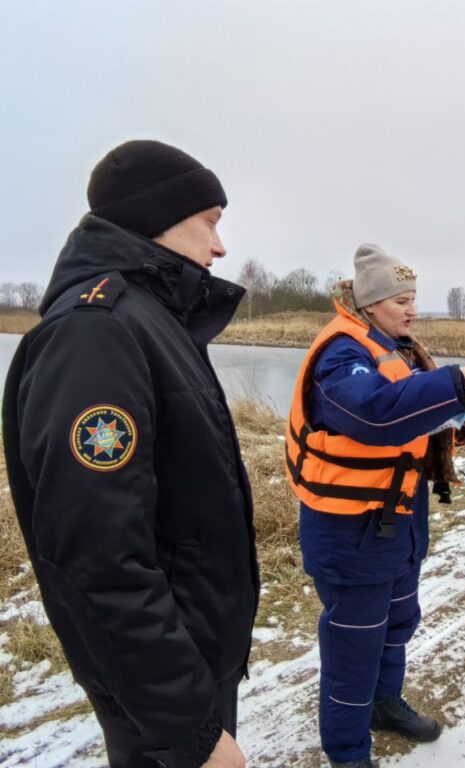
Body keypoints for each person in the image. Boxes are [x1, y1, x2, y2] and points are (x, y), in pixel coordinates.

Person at [2, 140, 257, 767]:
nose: (220, 247)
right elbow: (97, 559)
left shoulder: (153, 322)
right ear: (157, 217)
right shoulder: (97, 332)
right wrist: (190, 730)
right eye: (210, 222)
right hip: (161, 690)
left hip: (189, 659)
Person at [286, 244, 465, 768]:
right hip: (350, 530)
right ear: (370, 303)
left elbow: (414, 419)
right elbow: (374, 414)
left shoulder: (398, 348)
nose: (412, 310)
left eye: (414, 298)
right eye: (400, 300)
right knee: (354, 644)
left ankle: (384, 704)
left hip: (399, 521)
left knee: (397, 623)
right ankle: (348, 753)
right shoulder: (341, 355)